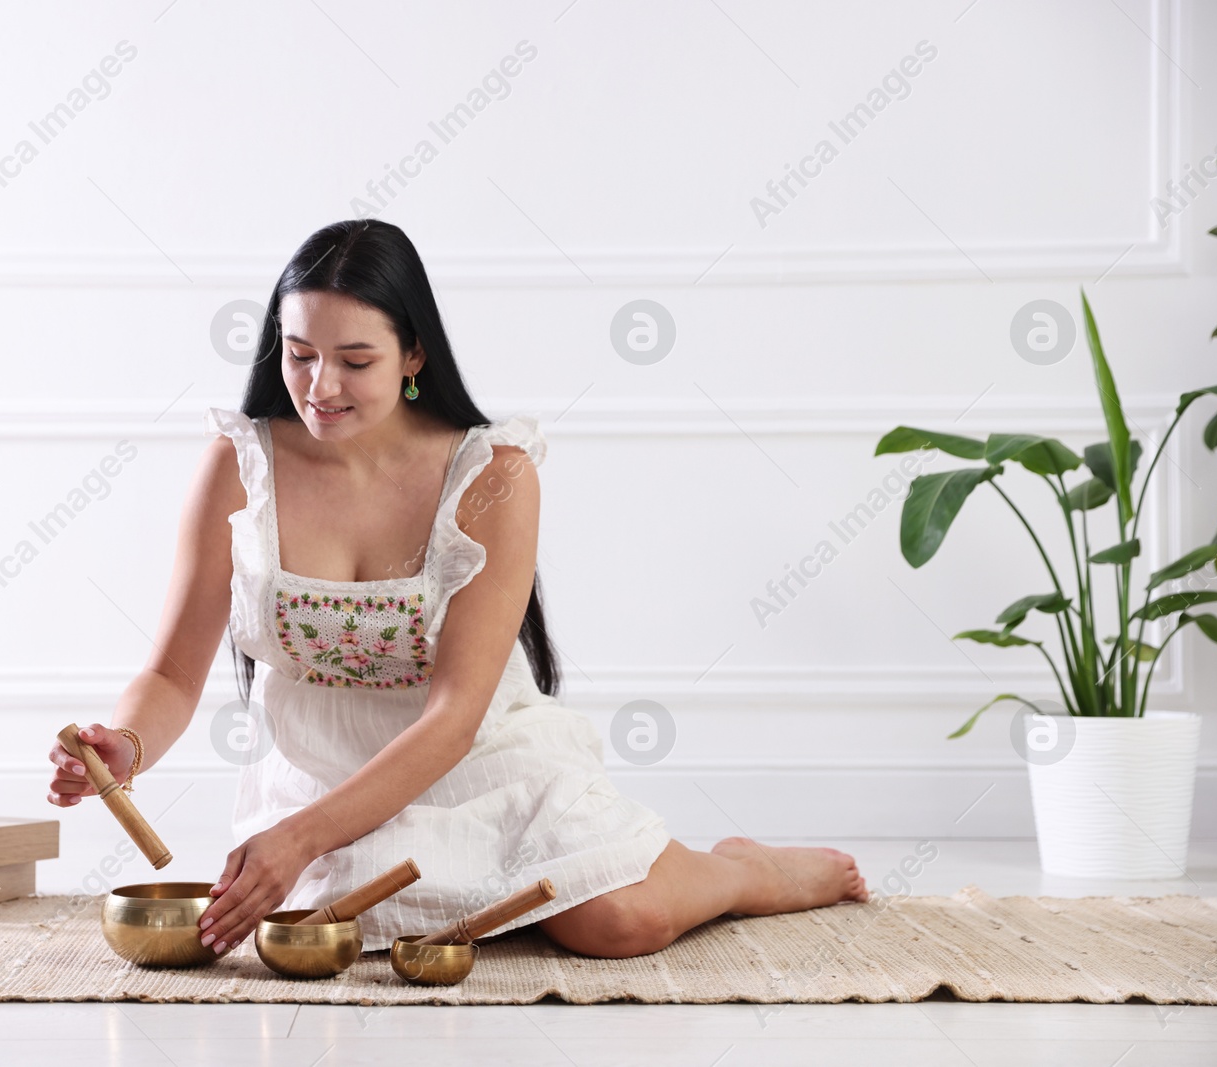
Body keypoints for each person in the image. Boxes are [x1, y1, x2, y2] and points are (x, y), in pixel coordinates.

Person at [45, 219, 869, 958]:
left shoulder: (493, 475)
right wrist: (127, 744)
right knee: (338, 931)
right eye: (299, 355)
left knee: (620, 924)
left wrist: (299, 841)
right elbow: (171, 674)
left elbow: (455, 715)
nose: (320, 385)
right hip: (326, 778)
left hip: (479, 759)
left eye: (355, 360)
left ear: (413, 356)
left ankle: (741, 871)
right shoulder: (240, 463)